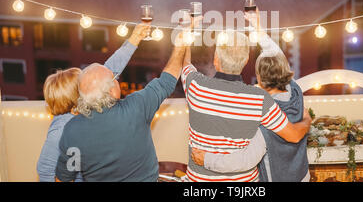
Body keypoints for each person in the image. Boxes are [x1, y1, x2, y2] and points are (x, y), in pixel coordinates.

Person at [181, 28, 311, 182]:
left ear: (216, 59)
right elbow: (294, 136)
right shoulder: (260, 99)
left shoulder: (196, 86)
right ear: (246, 60)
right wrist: (307, 119)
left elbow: (184, 63)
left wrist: (187, 32)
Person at [54, 33, 186, 182]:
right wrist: (181, 44)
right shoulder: (136, 108)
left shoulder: (72, 131)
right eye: (115, 78)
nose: (118, 80)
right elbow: (167, 81)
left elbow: (64, 178)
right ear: (111, 91)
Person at [36, 23, 150, 182]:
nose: (89, 81)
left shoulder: (87, 109)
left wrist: (135, 38)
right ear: (77, 94)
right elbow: (45, 172)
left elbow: (110, 70)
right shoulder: (61, 130)